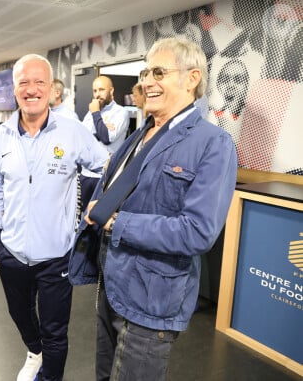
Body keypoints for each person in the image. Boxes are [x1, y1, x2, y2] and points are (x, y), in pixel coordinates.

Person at [70, 37, 237, 381]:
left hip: (151, 301)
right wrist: (96, 207)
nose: (146, 82)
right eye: (146, 72)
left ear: (191, 78)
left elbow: (197, 232)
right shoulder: (140, 133)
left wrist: (117, 224)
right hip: (111, 283)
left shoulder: (213, 144)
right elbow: (112, 188)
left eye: (158, 72)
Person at [0, 54, 109, 381]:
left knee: (55, 331)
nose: (31, 89)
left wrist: (94, 211)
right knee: (20, 315)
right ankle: (33, 351)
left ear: (52, 89)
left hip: (56, 257)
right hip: (10, 253)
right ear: (14, 89)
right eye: (23, 82)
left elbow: (105, 166)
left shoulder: (71, 132)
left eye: (39, 82)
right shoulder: (0, 138)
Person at [80, 75, 129, 211]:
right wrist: (100, 128)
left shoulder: (121, 112)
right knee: (85, 218)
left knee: (100, 217)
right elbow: (81, 137)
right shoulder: (90, 113)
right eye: (94, 91)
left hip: (105, 175)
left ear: (111, 91)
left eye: (101, 90)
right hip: (86, 175)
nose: (97, 95)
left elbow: (106, 138)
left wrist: (96, 114)